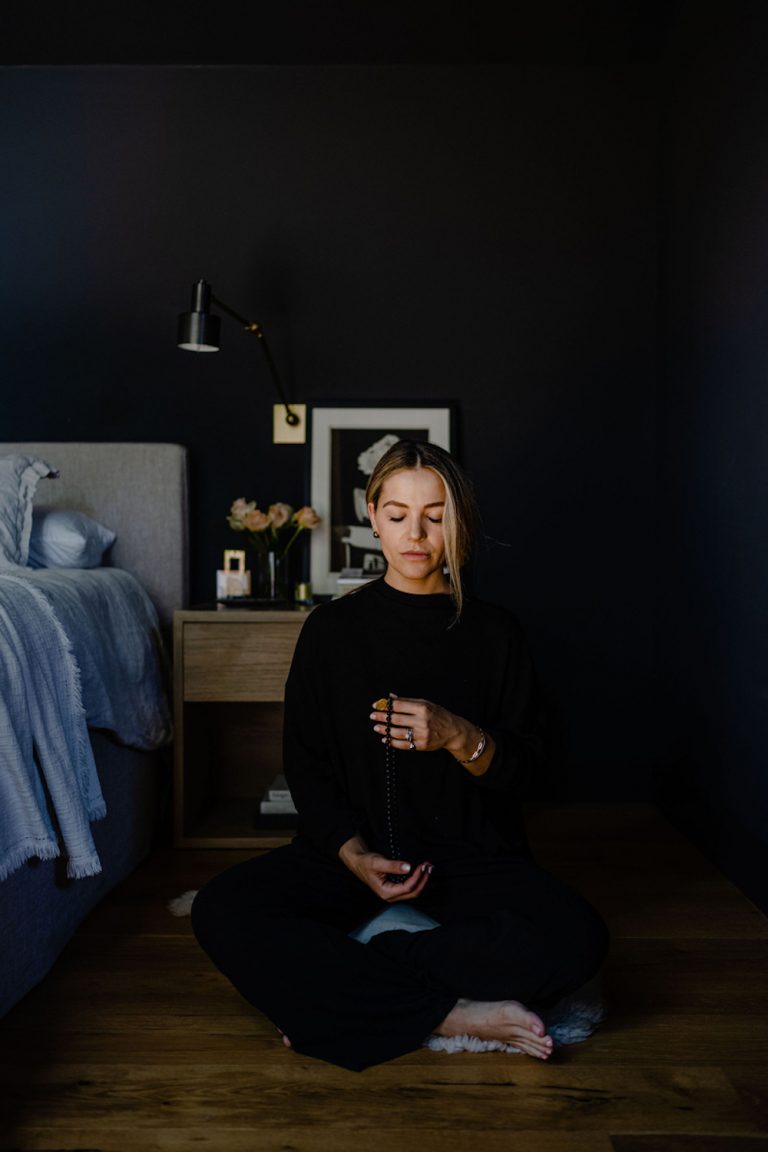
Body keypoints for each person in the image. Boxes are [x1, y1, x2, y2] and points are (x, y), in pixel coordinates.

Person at [191, 440, 609, 1072]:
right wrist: (352, 854)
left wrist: (456, 735)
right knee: (221, 908)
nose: (416, 534)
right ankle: (451, 1013)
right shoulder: (330, 631)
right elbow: (306, 764)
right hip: (351, 860)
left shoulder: (496, 633)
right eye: (397, 514)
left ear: (459, 520)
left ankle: (346, 987)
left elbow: (529, 771)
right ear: (372, 514)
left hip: (471, 861)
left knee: (578, 938)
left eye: (436, 515)